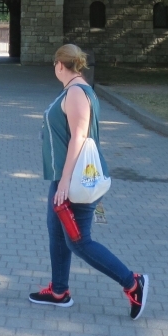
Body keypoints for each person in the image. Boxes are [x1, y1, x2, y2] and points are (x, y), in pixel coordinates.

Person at [30, 44, 148, 320]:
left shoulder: (75, 92)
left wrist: (65, 182)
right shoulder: (76, 88)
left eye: (54, 65)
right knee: (57, 233)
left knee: (79, 241)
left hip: (75, 181)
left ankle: (133, 283)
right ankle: (59, 291)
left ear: (60, 65)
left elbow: (78, 137)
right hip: (66, 178)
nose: (54, 69)